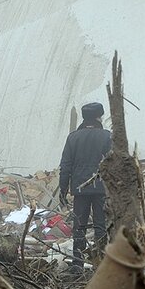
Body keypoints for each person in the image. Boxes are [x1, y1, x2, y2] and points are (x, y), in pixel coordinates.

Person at [58, 102, 112, 270]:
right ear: (98, 117)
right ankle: (101, 264)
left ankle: (77, 263)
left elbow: (65, 166)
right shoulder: (106, 136)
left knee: (79, 226)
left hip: (79, 188)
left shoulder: (73, 137)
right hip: (100, 188)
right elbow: (113, 163)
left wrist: (63, 189)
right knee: (100, 226)